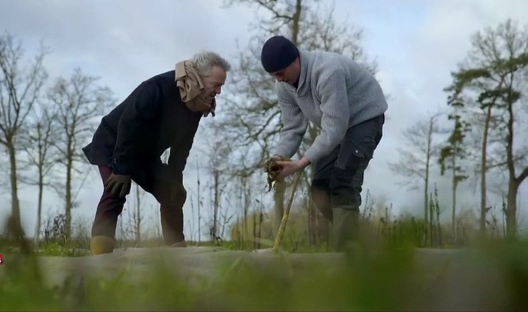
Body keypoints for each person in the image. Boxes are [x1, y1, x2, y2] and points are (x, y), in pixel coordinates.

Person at [82, 51, 230, 255]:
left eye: (221, 86)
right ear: (200, 77)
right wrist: (122, 168)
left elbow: (182, 147)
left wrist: (175, 180)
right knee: (115, 191)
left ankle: (178, 254)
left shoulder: (197, 103)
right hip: (115, 143)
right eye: (216, 84)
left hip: (145, 154)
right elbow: (128, 125)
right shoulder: (157, 88)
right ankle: (100, 257)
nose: (219, 91)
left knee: (172, 194)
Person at [261, 35, 388, 251]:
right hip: (338, 126)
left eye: (280, 73)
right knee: (320, 186)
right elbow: (293, 128)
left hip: (365, 119)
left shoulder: (328, 71)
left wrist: (301, 163)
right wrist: (276, 160)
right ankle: (363, 244)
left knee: (343, 181)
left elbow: (335, 128)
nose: (279, 79)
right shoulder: (283, 86)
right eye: (274, 76)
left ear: (295, 60)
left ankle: (345, 257)